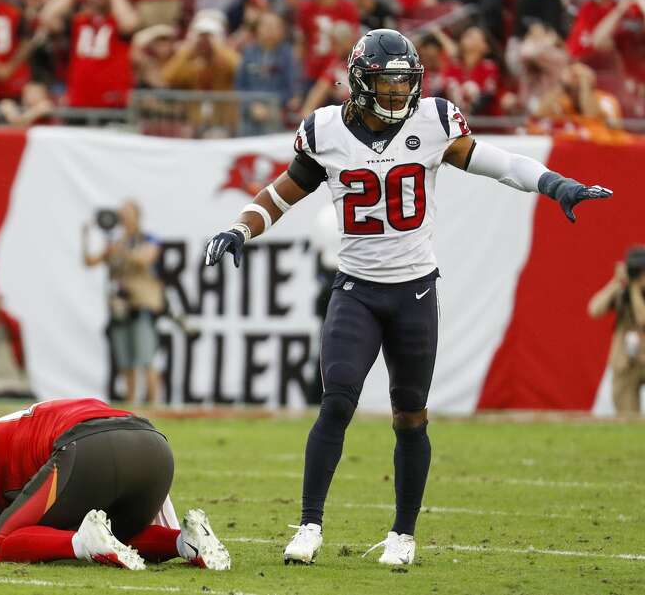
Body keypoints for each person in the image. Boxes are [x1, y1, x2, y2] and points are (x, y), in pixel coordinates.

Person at [203, 29, 613, 566]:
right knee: (337, 402)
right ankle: (308, 524)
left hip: (415, 290)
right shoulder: (326, 130)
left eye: (404, 82)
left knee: (411, 415)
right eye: (387, 82)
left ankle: (402, 533)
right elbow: (283, 191)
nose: (399, 93)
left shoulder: (433, 121)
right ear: (359, 81)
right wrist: (240, 227)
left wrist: (555, 184)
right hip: (356, 289)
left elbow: (499, 162)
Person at [0, 398, 230, 570]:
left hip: (89, 445)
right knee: (115, 534)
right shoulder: (18, 429)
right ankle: (185, 542)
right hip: (155, 446)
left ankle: (83, 543)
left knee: (6, 543)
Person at [83, 202, 164, 405]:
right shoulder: (117, 243)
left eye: (127, 214)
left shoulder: (147, 239)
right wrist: (86, 236)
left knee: (146, 358)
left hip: (141, 306)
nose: (123, 218)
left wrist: (121, 248)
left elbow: (144, 259)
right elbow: (90, 261)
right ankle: (131, 402)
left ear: (137, 216)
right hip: (120, 309)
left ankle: (154, 403)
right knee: (125, 361)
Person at [588, 247, 645, 413]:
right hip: (625, 361)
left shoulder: (634, 290)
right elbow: (594, 310)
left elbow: (642, 319)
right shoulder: (621, 291)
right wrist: (615, 283)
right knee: (627, 416)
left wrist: (635, 290)